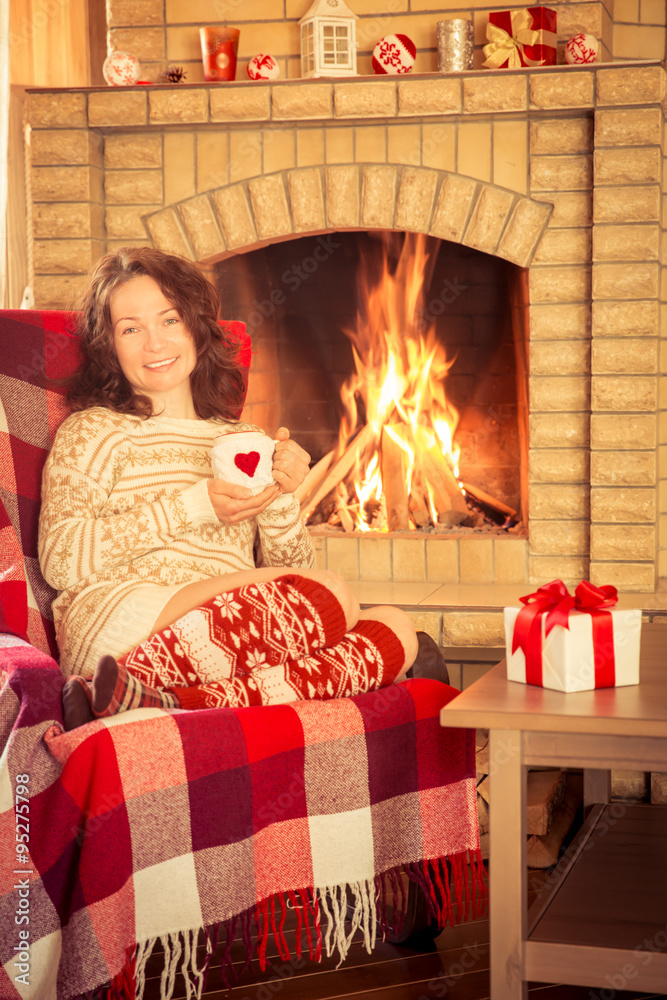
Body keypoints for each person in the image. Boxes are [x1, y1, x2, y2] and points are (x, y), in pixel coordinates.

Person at [38, 247, 427, 732]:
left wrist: (283, 495)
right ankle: (131, 682)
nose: (154, 343)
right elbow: (61, 561)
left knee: (396, 628)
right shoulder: (93, 431)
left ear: (195, 329)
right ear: (109, 345)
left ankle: (157, 701)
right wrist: (195, 505)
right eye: (131, 328)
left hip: (234, 631)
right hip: (123, 622)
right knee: (332, 595)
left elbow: (292, 585)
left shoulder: (243, 441)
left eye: (170, 320)